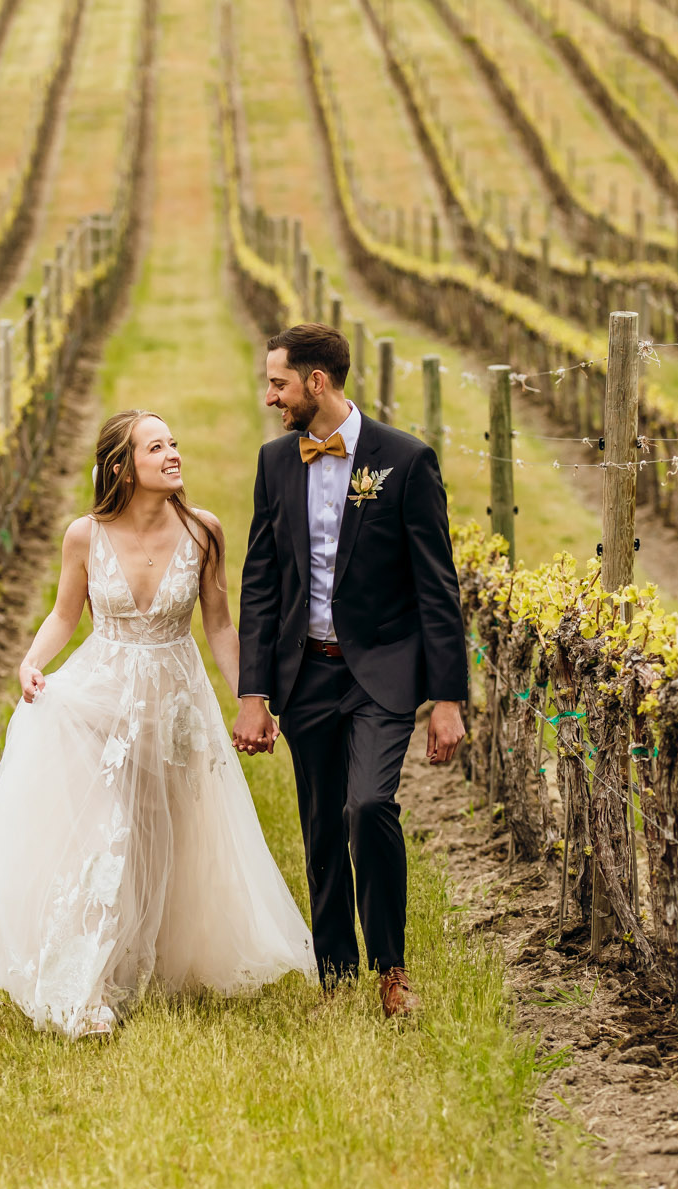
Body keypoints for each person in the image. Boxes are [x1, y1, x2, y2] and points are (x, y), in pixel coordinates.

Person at [0, 410, 315, 1037]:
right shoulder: (83, 536)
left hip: (177, 702)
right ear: (122, 467)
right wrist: (32, 664)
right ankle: (90, 982)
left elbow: (221, 627)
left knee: (175, 831)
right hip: (103, 697)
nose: (174, 454)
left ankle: (176, 961)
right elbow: (65, 617)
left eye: (175, 442)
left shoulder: (204, 532)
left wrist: (248, 699)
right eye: (157, 447)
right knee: (108, 834)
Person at [233, 323, 467, 1019]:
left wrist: (448, 699)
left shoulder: (406, 460)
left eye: (278, 383)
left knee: (368, 805)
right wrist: (255, 693)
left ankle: (391, 968)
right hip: (307, 673)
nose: (270, 397)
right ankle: (336, 971)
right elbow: (262, 584)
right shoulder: (275, 463)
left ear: (317, 383)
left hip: (382, 672)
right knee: (320, 822)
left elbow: (437, 587)